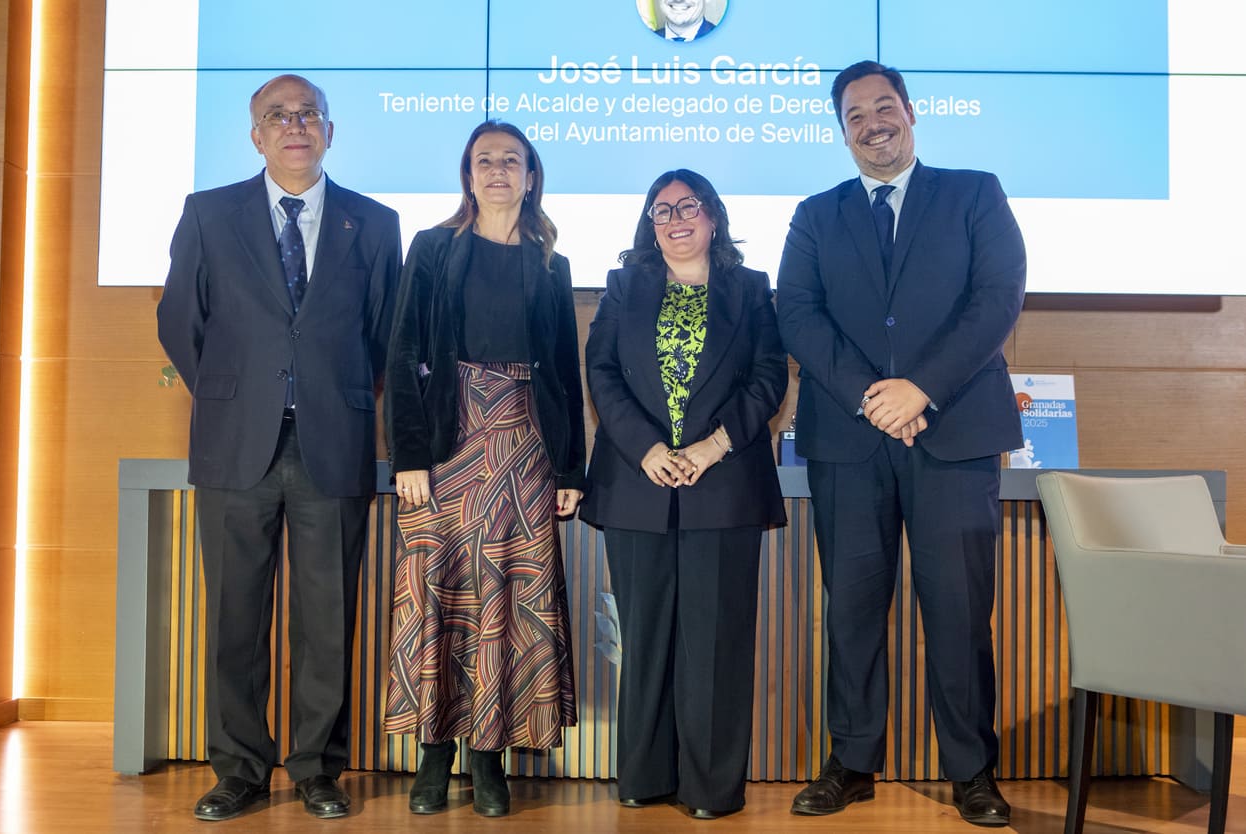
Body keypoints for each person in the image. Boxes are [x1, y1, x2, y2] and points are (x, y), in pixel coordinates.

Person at [776, 60, 1026, 827]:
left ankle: (973, 771)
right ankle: (851, 762)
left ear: (912, 113)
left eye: (885, 107)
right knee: (851, 611)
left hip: (952, 434)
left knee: (958, 609)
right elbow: (797, 312)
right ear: (842, 129)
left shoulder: (974, 192)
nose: (873, 123)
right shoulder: (816, 215)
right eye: (855, 114)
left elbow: (998, 295)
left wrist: (921, 388)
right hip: (850, 442)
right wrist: (870, 396)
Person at [157, 74, 401, 821]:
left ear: (330, 132)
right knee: (234, 616)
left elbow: (386, 333)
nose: (294, 125)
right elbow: (178, 320)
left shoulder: (376, 222)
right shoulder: (209, 213)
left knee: (328, 620)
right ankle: (238, 769)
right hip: (237, 446)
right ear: (255, 136)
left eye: (308, 115)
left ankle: (318, 767)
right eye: (277, 116)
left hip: (335, 441)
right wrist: (234, 394)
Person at [383, 120, 586, 818]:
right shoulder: (433, 249)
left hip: (526, 446)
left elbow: (565, 372)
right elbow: (403, 354)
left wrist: (570, 470)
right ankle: (433, 756)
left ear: (532, 176)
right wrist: (407, 455)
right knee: (438, 598)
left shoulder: (551, 263)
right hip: (446, 442)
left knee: (505, 602)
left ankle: (487, 757)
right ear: (467, 175)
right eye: (485, 160)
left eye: (512, 160)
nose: (498, 170)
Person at [580, 169, 787, 820]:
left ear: (713, 217)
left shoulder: (751, 291)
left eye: (687, 207)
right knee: (644, 641)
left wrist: (711, 447)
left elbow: (768, 377)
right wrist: (647, 449)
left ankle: (711, 788)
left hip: (724, 484)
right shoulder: (624, 287)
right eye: (661, 209)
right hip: (638, 485)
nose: (674, 218)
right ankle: (646, 775)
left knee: (717, 644)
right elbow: (602, 372)